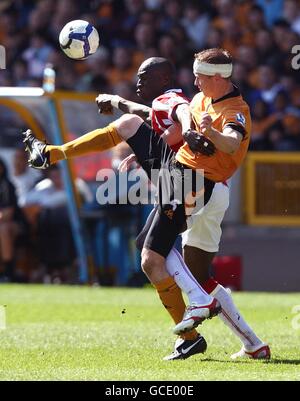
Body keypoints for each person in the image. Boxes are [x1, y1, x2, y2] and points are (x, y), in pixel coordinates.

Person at [23, 52, 270, 360]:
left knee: (155, 258)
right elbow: (166, 119)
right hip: (200, 186)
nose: (194, 82)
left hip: (195, 184)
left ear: (218, 78)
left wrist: (208, 134)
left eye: (200, 77)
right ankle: (251, 343)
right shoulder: (201, 100)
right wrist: (140, 134)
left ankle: (196, 312)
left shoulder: (233, 109)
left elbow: (231, 140)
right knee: (180, 266)